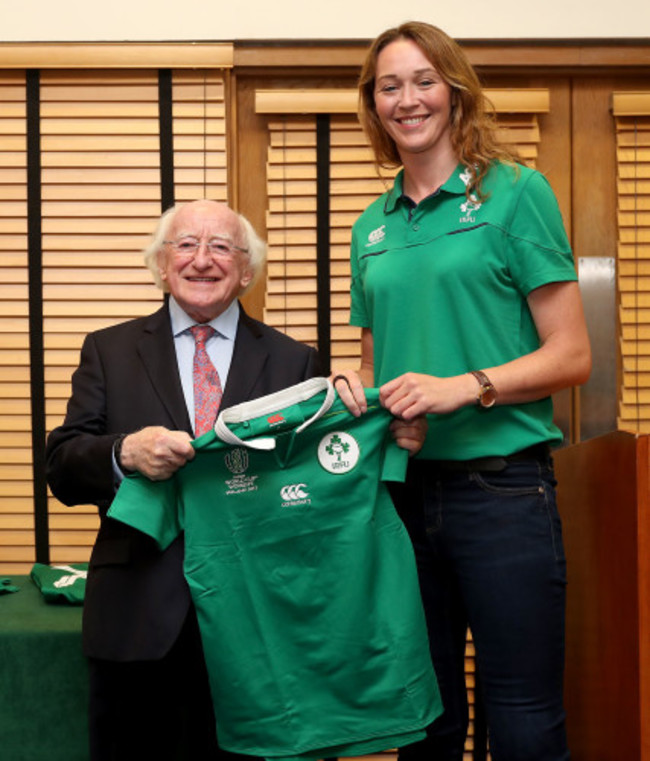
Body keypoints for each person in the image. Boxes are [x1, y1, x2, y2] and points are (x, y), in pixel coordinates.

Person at [333, 21, 592, 761]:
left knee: (522, 710)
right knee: (425, 713)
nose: (407, 99)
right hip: (403, 494)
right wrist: (380, 404)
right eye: (390, 86)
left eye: (423, 81)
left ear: (454, 90)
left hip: (504, 493)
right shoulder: (369, 228)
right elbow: (382, 368)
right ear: (374, 104)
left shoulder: (515, 192)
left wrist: (463, 388)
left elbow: (573, 354)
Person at [45, 200, 323, 761]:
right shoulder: (110, 349)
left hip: (262, 621)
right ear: (161, 264)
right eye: (186, 245)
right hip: (138, 617)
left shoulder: (298, 363)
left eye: (221, 246)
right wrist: (125, 452)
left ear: (247, 271)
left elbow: (312, 495)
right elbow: (63, 466)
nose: (203, 259)